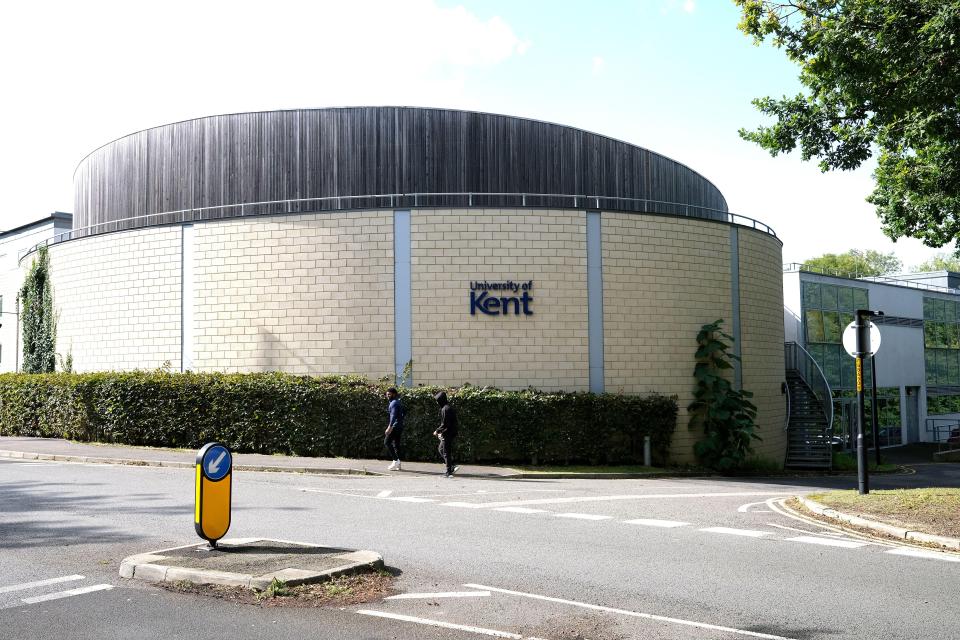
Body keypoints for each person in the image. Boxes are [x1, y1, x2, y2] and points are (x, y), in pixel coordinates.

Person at [433, 390, 458, 477]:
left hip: (448, 433)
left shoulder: (445, 409)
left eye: (437, 400)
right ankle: (451, 466)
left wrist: (437, 431)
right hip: (450, 432)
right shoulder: (447, 408)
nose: (437, 402)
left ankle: (449, 472)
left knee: (446, 452)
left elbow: (445, 424)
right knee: (441, 449)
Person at [385, 387, 405, 471]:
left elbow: (393, 416)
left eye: (389, 394)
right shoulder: (398, 402)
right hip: (399, 426)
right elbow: (404, 412)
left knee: (387, 442)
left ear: (394, 394)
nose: (387, 396)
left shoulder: (393, 403)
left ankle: (395, 460)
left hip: (395, 427)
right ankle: (398, 464)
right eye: (387, 395)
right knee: (396, 445)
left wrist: (389, 427)